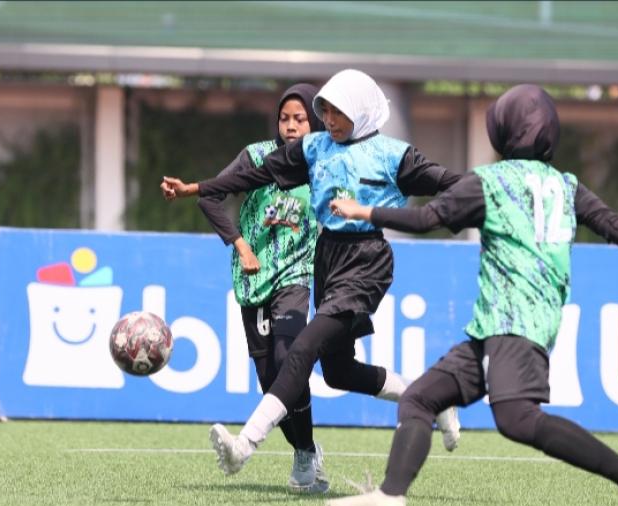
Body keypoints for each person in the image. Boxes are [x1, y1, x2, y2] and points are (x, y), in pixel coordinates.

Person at [324, 84, 618, 506]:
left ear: (501, 132)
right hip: (507, 325)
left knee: (517, 419)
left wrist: (364, 210)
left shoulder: (490, 182)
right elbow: (614, 226)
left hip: (513, 324)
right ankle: (389, 497)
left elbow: (426, 221)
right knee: (420, 398)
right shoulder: (566, 186)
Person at [160, 69, 462, 480]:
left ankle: (243, 447)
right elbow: (254, 174)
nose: (329, 120)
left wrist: (499, 195)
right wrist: (195, 188)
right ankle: (431, 399)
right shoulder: (315, 147)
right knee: (338, 371)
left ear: (361, 111)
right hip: (329, 258)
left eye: (337, 112)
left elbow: (449, 182)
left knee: (301, 349)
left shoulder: (395, 155)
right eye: (326, 111)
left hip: (367, 260)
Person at [163, 83, 329, 493]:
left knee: (288, 356)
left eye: (300, 119)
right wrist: (241, 245)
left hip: (296, 275)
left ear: (315, 122)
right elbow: (211, 198)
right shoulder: (257, 157)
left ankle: (305, 455)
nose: (290, 126)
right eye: (284, 118)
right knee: (271, 379)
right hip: (253, 280)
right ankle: (306, 448)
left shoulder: (324, 163)